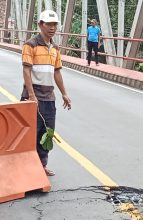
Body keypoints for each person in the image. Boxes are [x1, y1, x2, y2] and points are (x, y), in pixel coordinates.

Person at [21, 10, 72, 176]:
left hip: (49, 98)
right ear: (40, 25)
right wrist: (31, 96)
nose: (52, 27)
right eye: (48, 24)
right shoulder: (30, 45)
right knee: (30, 135)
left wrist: (64, 93)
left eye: (54, 24)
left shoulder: (55, 48)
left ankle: (41, 166)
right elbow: (26, 70)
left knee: (47, 133)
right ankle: (28, 167)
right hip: (33, 97)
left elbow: (57, 72)